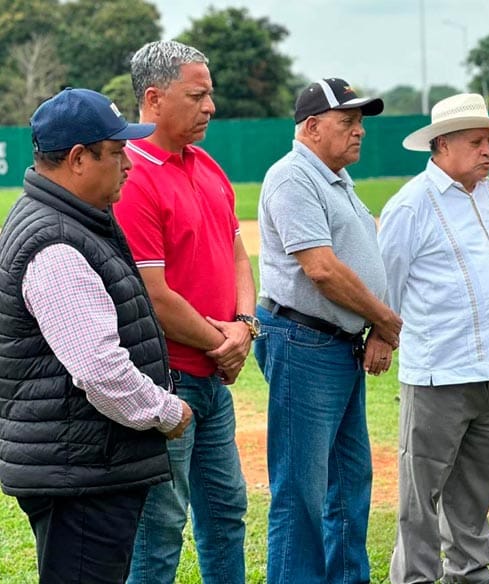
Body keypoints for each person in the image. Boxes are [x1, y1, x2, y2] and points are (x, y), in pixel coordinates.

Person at [0, 88, 192, 583]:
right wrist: (167, 412)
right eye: (118, 151)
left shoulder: (72, 221)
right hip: (82, 472)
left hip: (81, 462)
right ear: (79, 158)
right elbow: (100, 370)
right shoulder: (57, 242)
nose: (129, 163)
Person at [114, 41, 254, 584]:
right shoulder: (133, 176)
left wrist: (243, 326)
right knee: (159, 529)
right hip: (166, 380)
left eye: (210, 94)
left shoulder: (205, 163)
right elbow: (153, 293)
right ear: (154, 98)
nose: (210, 107)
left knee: (226, 514)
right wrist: (225, 342)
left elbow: (238, 251)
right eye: (197, 95)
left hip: (212, 380)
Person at [255, 77, 402, 584]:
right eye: (348, 122)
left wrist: (376, 327)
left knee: (348, 480)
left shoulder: (334, 178)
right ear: (313, 127)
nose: (359, 131)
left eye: (360, 122)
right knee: (302, 491)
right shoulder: (293, 177)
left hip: (335, 345)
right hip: (303, 343)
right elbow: (320, 268)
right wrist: (384, 319)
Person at [377, 93, 489, 584]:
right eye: (477, 142)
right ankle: (416, 577)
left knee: (477, 480)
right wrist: (385, 336)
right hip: (439, 370)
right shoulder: (411, 205)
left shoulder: (488, 192)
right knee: (422, 491)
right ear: (441, 145)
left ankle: (469, 569)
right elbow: (387, 285)